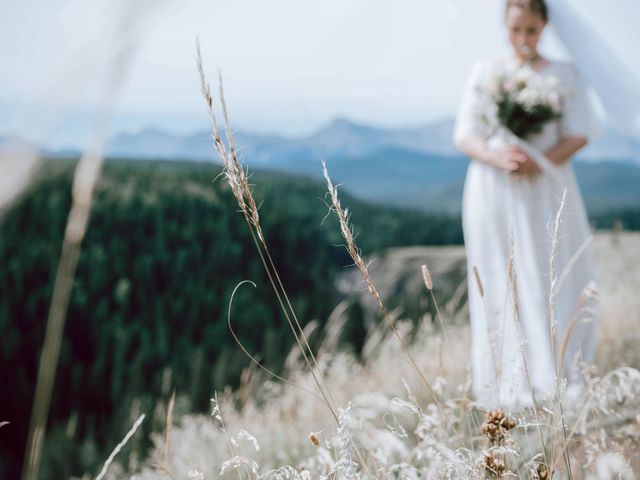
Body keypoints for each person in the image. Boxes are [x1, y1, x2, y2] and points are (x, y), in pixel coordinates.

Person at [453, 0, 598, 409]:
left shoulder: (564, 74)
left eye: (531, 31)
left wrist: (539, 163)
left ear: (544, 26)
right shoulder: (486, 72)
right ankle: (504, 377)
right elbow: (466, 134)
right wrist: (495, 156)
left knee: (545, 269)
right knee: (496, 271)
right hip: (492, 187)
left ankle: (553, 371)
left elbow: (579, 132)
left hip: (544, 186)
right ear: (505, 25)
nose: (523, 40)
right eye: (516, 30)